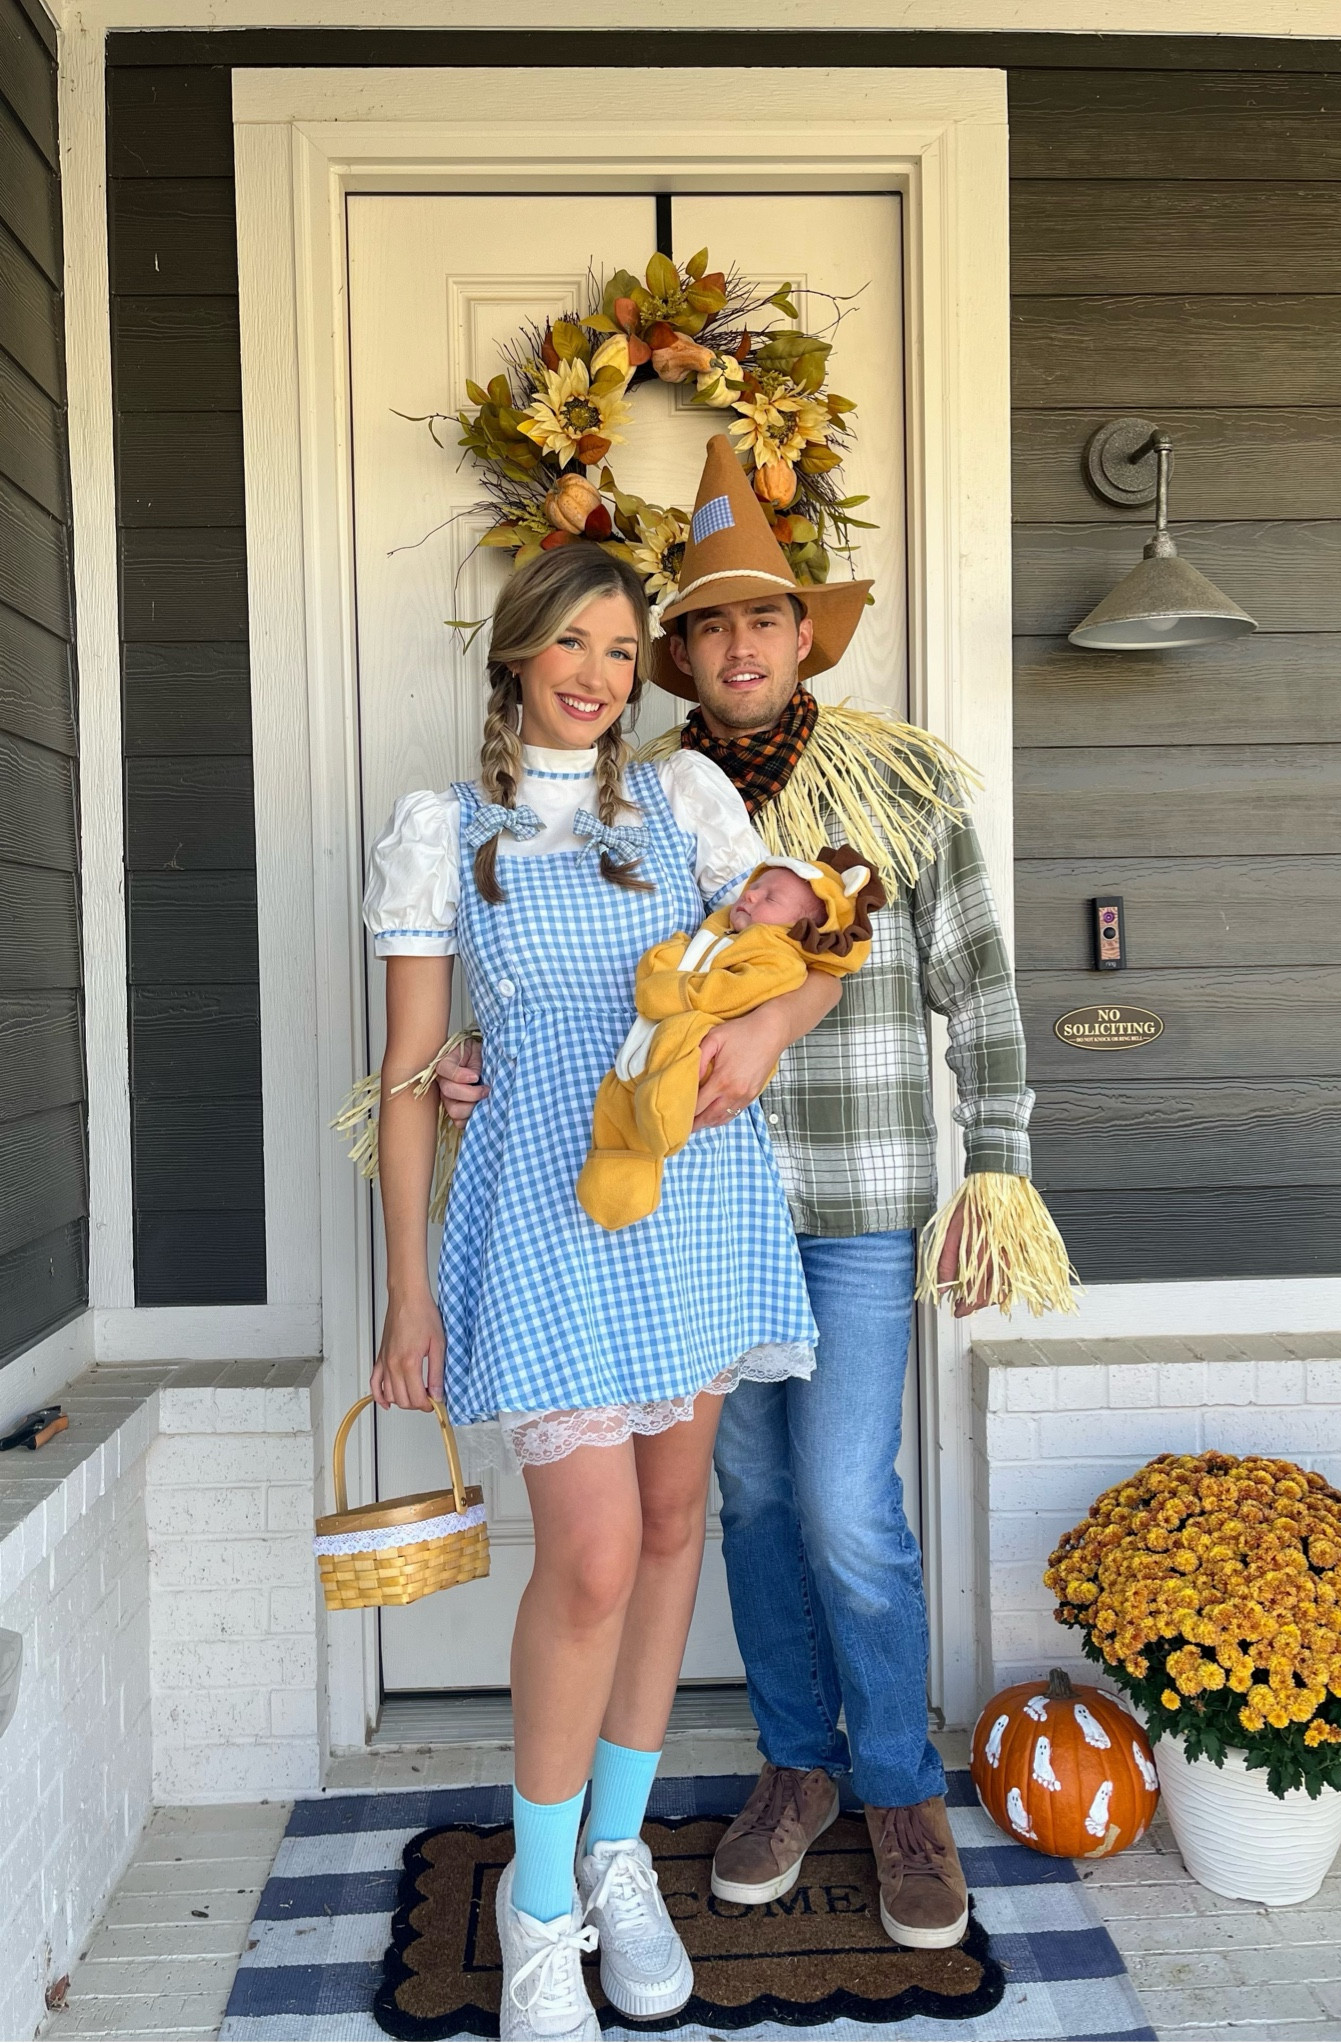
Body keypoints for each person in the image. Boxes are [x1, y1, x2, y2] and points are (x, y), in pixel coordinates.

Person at [439, 435, 1074, 1958]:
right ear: (675, 656)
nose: (739, 644)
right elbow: (569, 989)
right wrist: (473, 1057)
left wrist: (997, 1165)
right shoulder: (624, 802)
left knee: (850, 1503)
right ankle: (794, 1766)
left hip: (850, 1194)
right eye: (709, 623)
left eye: (767, 617)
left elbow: (977, 990)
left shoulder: (903, 781)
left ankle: (899, 1784)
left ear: (804, 635)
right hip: (679, 1214)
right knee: (745, 1500)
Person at [361, 542, 841, 2043]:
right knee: (587, 1555)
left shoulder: (685, 805)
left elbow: (815, 942)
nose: (596, 674)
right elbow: (406, 1079)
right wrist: (405, 1296)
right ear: (514, 655)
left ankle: (620, 1851)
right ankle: (539, 1900)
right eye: (570, 643)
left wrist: (761, 1037)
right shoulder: (444, 830)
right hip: (543, 1221)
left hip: (690, 1202)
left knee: (674, 1522)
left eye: (624, 651)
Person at [578, 848, 882, 1230]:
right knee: (614, 1097)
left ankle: (663, 1112)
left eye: (770, 897)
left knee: (681, 1037)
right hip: (646, 1041)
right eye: (754, 887)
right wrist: (668, 956)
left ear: (799, 927)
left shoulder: (777, 954)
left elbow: (736, 990)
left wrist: (679, 992)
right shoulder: (721, 935)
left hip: (704, 1043)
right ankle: (618, 1176)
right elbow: (681, 960)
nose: (750, 895)